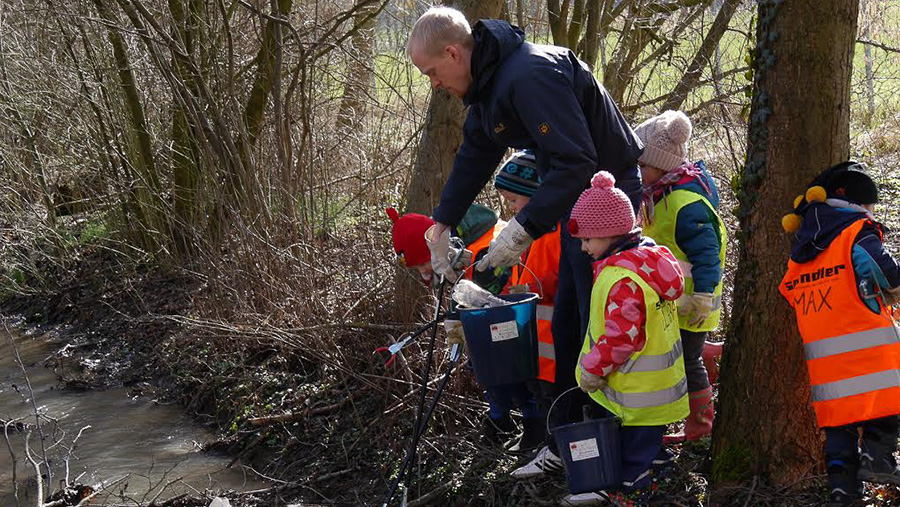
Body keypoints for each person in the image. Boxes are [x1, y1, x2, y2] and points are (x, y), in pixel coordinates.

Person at [406, 6, 644, 476]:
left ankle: (603, 448)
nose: (433, 83)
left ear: (454, 52)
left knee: (588, 324)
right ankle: (566, 442)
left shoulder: (529, 75)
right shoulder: (490, 87)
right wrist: (441, 224)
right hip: (576, 199)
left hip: (607, 203)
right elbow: (475, 153)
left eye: (432, 71)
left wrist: (522, 229)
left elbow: (577, 161)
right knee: (567, 325)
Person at [563, 171, 688, 505]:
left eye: (588, 239)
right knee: (647, 438)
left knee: (632, 450)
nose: (583, 246)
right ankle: (657, 466)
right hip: (656, 388)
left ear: (611, 234)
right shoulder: (647, 261)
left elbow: (621, 339)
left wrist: (594, 368)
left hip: (637, 389)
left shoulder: (622, 279)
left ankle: (631, 491)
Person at [779, 162, 900, 506]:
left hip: (824, 360)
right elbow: (888, 276)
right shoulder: (856, 230)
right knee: (887, 406)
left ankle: (843, 492)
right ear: (860, 204)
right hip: (868, 346)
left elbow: (789, 291)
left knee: (839, 427)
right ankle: (878, 460)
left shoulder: (802, 250)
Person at [386, 204, 539, 446]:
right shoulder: (454, 250)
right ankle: (500, 420)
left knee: (511, 368)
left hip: (517, 315)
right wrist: (455, 319)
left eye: (423, 263)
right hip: (496, 317)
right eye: (417, 269)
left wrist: (461, 317)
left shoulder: (483, 247)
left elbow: (483, 293)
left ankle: (533, 423)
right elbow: (465, 291)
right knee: (483, 362)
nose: (425, 272)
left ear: (435, 246)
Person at [634, 110, 726, 443]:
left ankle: (700, 429)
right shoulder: (659, 194)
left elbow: (707, 254)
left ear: (663, 163)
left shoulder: (686, 202)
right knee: (686, 354)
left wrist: (702, 296)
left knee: (687, 362)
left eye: (643, 165)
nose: (639, 172)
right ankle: (712, 353)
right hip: (674, 300)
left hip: (692, 303)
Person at [494, 150, 561, 451]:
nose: (510, 209)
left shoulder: (552, 234)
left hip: (552, 342)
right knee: (536, 390)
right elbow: (519, 274)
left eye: (513, 200)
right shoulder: (526, 235)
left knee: (552, 395)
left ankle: (552, 447)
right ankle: (537, 439)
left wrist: (519, 291)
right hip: (534, 338)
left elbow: (544, 279)